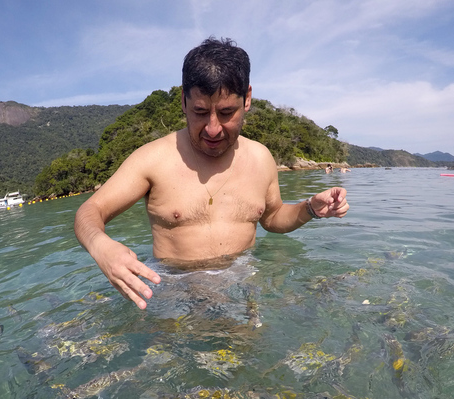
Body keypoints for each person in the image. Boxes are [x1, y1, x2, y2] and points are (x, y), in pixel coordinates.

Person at [74, 37, 349, 309]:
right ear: (183, 101)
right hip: (175, 298)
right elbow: (90, 211)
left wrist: (309, 208)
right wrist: (102, 247)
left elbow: (273, 217)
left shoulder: (260, 158)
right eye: (200, 112)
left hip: (244, 293)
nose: (213, 128)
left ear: (248, 99)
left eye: (227, 112)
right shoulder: (153, 159)